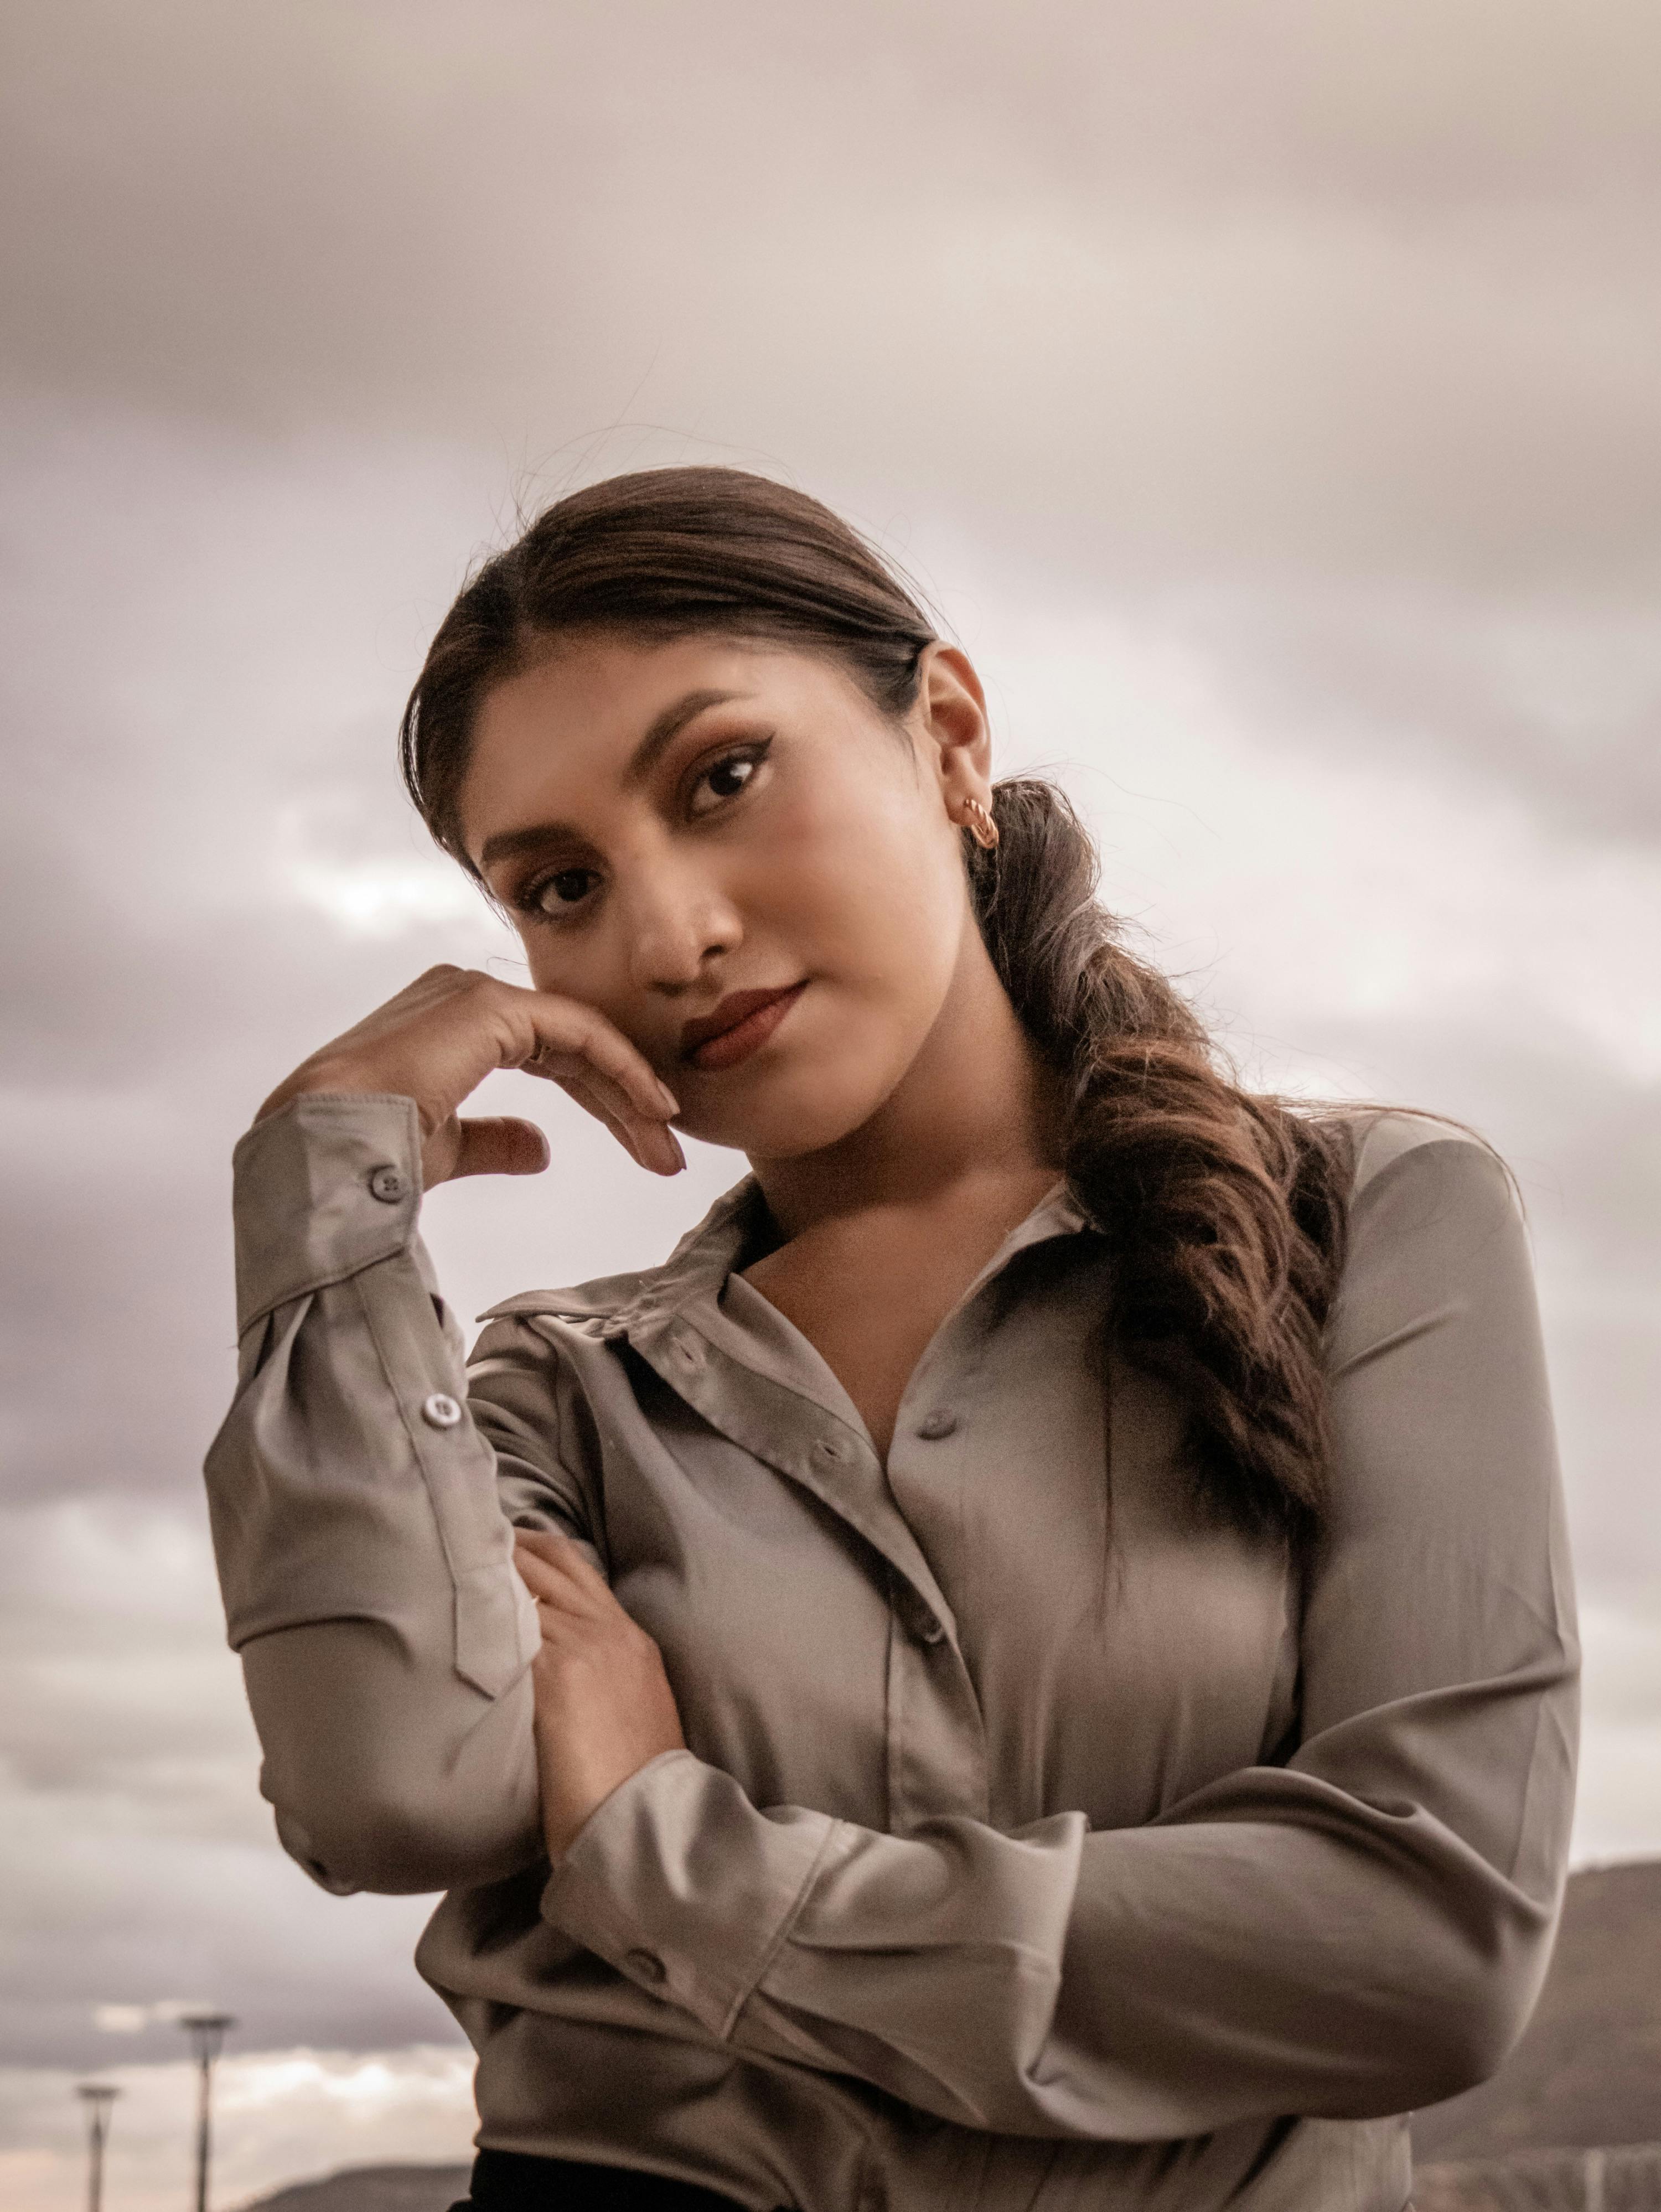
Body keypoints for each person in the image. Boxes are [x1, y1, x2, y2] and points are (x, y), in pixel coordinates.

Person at [202, 468, 1579, 2212]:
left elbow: (1421, 1948)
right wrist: (324, 1175)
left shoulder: (1374, 1223)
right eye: (556, 887)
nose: (668, 937)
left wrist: (656, 1853)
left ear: (944, 734)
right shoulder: (562, 1388)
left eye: (723, 778)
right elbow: (392, 1794)